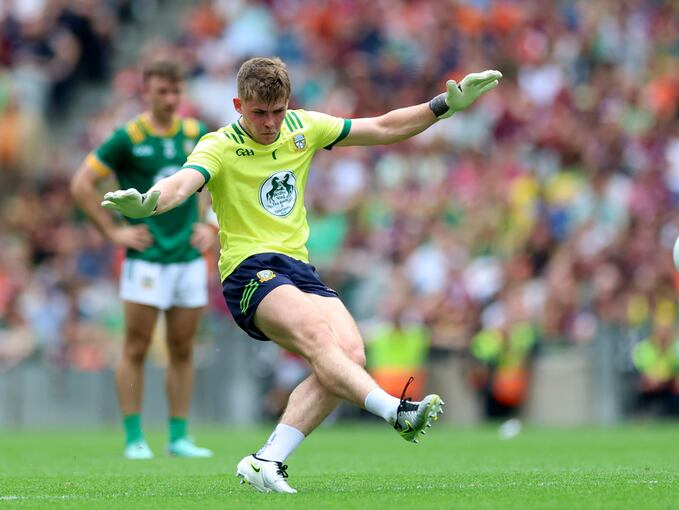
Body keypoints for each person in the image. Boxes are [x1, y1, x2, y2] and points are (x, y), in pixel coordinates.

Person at [101, 57, 502, 491]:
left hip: (298, 268)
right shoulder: (217, 145)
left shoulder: (303, 127)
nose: (271, 123)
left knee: (350, 356)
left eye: (278, 111)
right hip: (248, 271)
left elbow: (383, 127)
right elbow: (181, 184)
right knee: (320, 341)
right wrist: (149, 202)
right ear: (239, 104)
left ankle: (265, 460)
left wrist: (443, 106)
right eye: (259, 113)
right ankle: (396, 410)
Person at [71, 59, 217, 460]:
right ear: (146, 92)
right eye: (161, 92)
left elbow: (217, 179)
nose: (169, 99)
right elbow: (81, 184)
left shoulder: (195, 133)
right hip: (146, 257)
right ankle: (135, 437)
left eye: (175, 92)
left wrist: (210, 223)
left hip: (187, 256)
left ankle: (178, 437)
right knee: (135, 347)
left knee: (183, 347)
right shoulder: (127, 138)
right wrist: (113, 232)